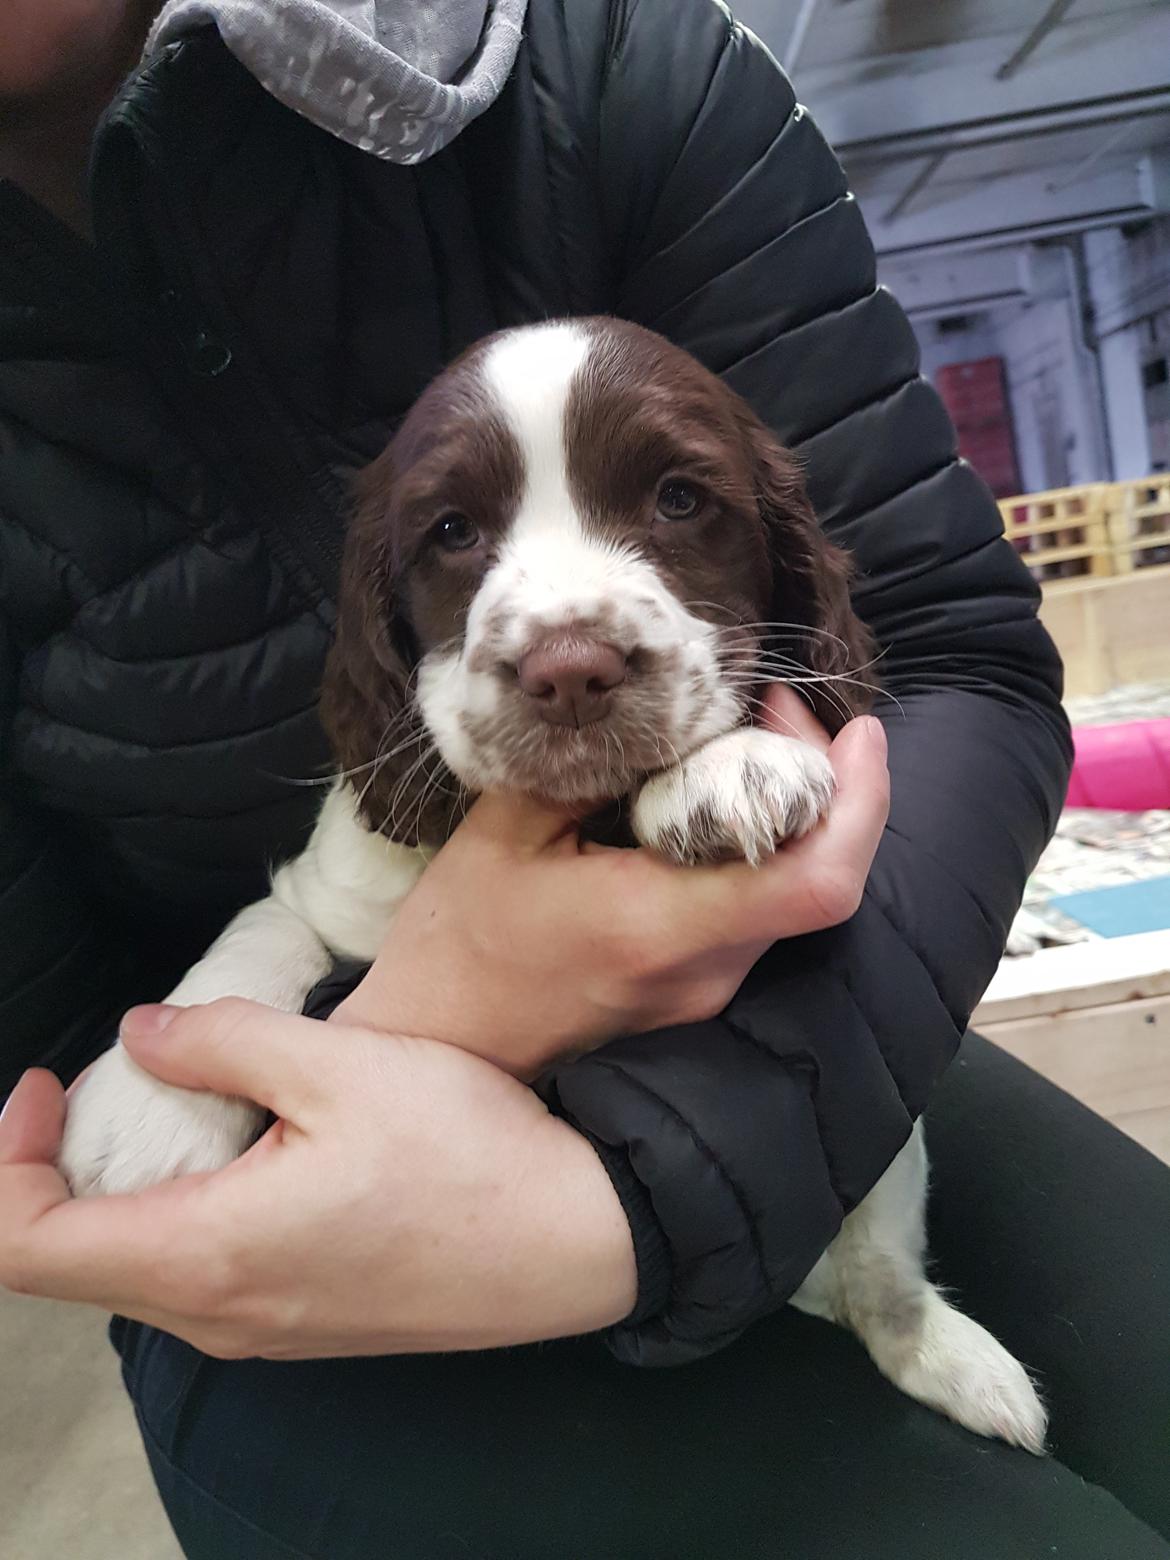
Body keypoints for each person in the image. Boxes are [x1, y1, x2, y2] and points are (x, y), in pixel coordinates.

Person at [1, 2, 1167, 1556]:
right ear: (390, 622)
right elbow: (241, 942)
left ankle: (892, 1312)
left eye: (674, 498)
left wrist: (632, 1201)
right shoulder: (385, 771)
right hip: (299, 1223)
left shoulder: (601, 63)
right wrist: (435, 1011)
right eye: (455, 536)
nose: (561, 646)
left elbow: (953, 654)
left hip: (822, 1025)